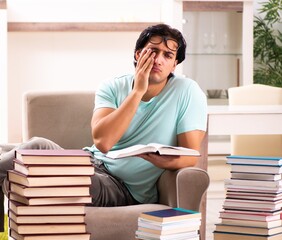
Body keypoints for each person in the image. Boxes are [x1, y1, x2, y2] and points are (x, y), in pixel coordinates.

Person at [0, 24, 207, 208]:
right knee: (37, 146)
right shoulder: (113, 86)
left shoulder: (186, 91)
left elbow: (190, 155)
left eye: (167, 55)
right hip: (91, 161)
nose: (158, 60)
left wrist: (161, 162)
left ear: (174, 64)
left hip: (121, 187)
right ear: (138, 55)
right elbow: (103, 142)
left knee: (26, 162)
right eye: (153, 51)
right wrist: (137, 92)